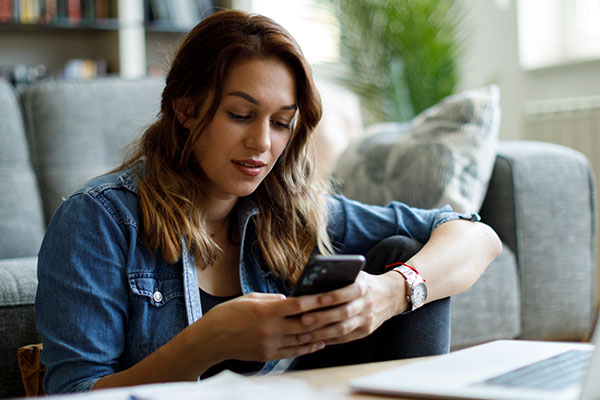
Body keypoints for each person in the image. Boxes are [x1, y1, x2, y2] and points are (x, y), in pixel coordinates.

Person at [35, 9, 502, 394]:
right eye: (240, 115)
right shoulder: (100, 220)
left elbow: (474, 233)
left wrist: (392, 292)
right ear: (185, 106)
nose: (262, 142)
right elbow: (74, 394)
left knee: (401, 254)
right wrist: (207, 343)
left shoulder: (290, 211)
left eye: (281, 123)